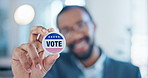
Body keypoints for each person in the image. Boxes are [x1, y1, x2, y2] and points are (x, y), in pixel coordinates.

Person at [12, 6, 141, 78]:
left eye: (80, 25)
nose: (75, 36)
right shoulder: (49, 69)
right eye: (66, 30)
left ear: (94, 26)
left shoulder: (129, 72)